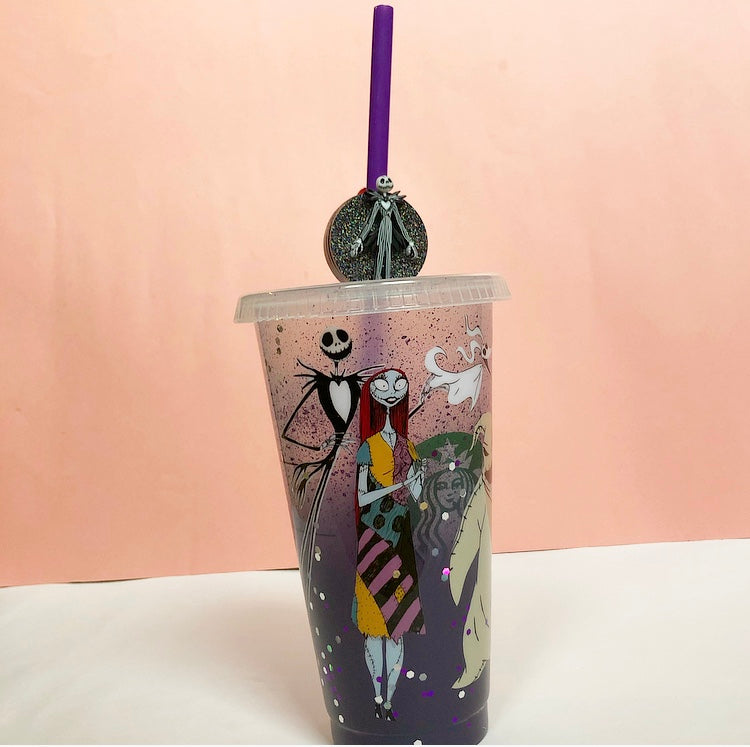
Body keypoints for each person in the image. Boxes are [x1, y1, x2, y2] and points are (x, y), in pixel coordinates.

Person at [352, 368, 426, 720]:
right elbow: (363, 498)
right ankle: (377, 697)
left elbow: (417, 497)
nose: (392, 391)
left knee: (396, 630)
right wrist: (397, 486)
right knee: (374, 628)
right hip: (374, 539)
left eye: (399, 385)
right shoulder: (368, 448)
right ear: (373, 395)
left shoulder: (408, 446)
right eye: (384, 385)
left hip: (401, 539)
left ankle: (388, 702)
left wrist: (417, 481)